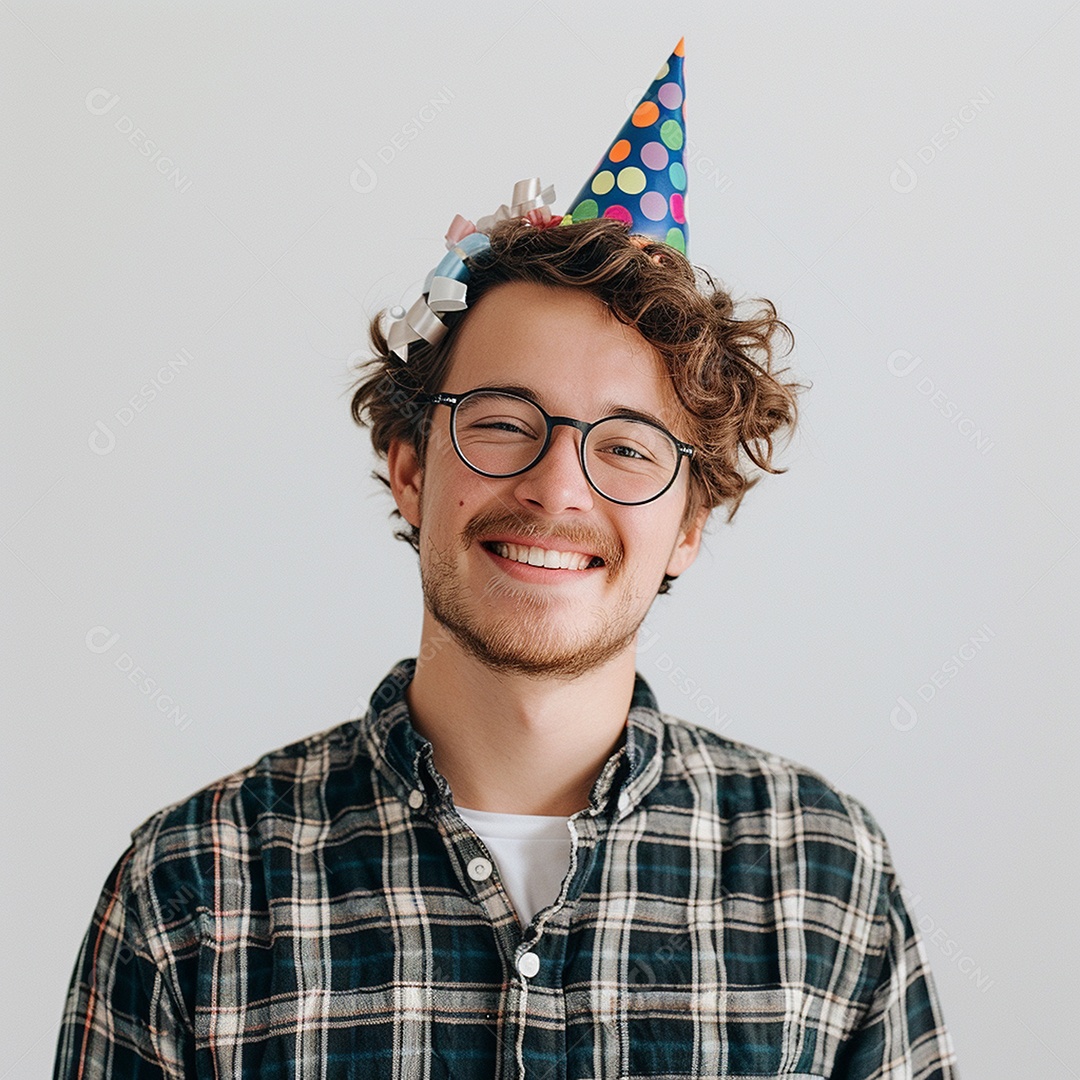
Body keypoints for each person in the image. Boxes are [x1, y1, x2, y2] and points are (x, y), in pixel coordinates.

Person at [54, 42, 958, 1079]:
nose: (558, 490)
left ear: (692, 525)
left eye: (624, 447)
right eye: (500, 422)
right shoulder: (190, 898)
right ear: (407, 465)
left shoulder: (827, 882)